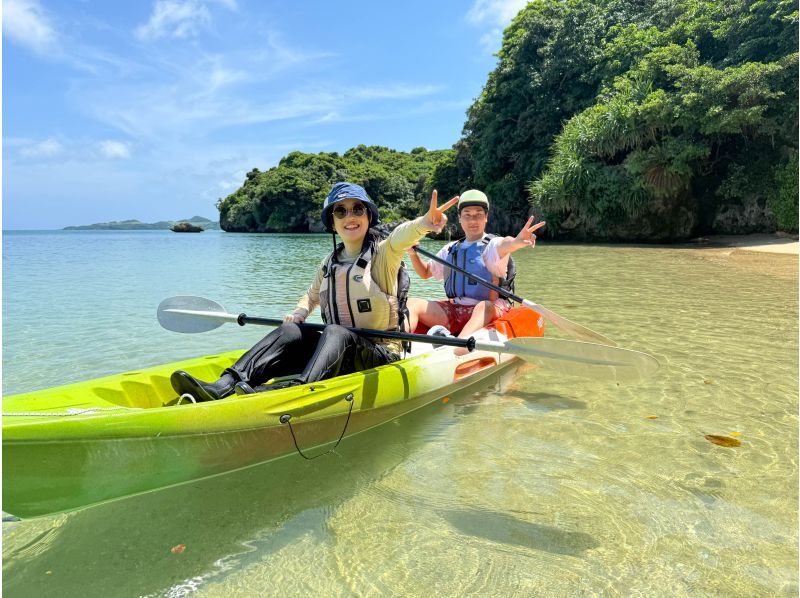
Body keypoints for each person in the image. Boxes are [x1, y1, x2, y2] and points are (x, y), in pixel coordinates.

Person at [170, 182, 458, 402]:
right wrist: (299, 312)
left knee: (335, 331)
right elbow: (310, 296)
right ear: (332, 222)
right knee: (291, 331)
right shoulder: (329, 264)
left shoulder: (384, 254)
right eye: (340, 211)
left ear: (368, 216)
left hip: (380, 353)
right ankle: (224, 385)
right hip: (339, 353)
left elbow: (402, 236)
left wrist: (425, 224)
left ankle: (296, 391)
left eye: (358, 209)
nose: (350, 216)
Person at [405, 189, 545, 345]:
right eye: (467, 215)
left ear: (486, 217)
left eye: (479, 214)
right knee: (412, 303)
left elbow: (506, 244)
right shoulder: (451, 249)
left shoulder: (492, 245)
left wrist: (516, 242)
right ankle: (395, 345)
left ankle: (457, 346)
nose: (473, 220)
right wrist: (413, 254)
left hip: (489, 310)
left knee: (482, 306)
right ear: (459, 218)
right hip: (456, 309)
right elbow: (425, 273)